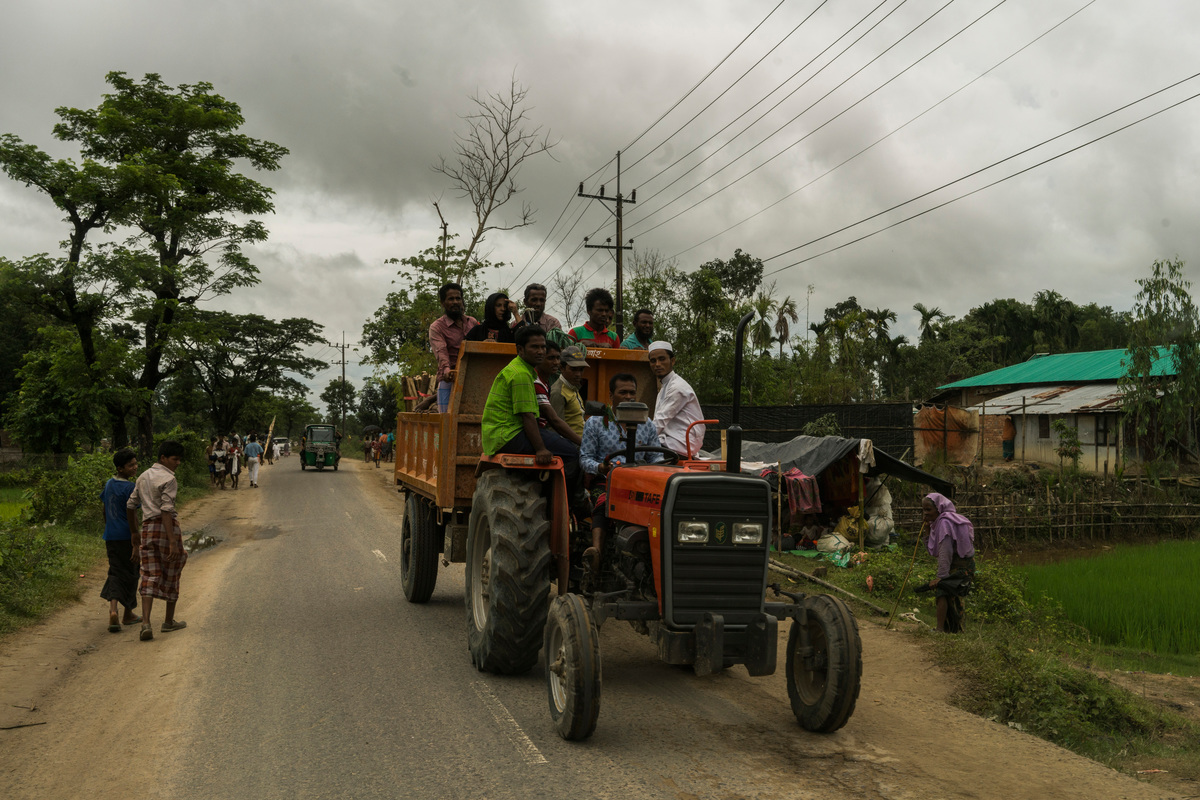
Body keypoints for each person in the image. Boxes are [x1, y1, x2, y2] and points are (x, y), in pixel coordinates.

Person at [481, 326, 584, 509]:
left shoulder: (526, 371)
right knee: (571, 454)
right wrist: (540, 449)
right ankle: (564, 507)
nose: (540, 352)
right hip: (508, 433)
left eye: (543, 347)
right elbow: (528, 417)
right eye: (534, 347)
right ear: (520, 349)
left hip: (508, 431)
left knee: (563, 447)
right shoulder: (521, 374)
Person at [579, 373, 665, 572]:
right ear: (611, 396)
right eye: (623, 392)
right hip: (606, 481)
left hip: (641, 483)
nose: (628, 397)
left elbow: (657, 458)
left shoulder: (648, 424)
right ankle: (597, 552)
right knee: (603, 501)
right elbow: (585, 459)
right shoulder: (596, 423)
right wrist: (601, 467)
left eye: (632, 393)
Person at [126, 440, 188, 641]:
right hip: (165, 528)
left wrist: (134, 531)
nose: (177, 463)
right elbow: (167, 510)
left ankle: (146, 623)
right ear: (163, 458)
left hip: (147, 529)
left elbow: (130, 505)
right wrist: (172, 541)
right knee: (173, 569)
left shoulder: (143, 476)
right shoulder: (169, 479)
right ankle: (168, 621)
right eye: (175, 459)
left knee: (149, 573)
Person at [100, 448, 142, 633]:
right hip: (127, 535)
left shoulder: (109, 484)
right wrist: (136, 539)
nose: (135, 467)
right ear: (120, 468)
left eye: (135, 463)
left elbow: (104, 510)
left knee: (115, 572)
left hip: (111, 536)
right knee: (132, 572)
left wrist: (109, 526)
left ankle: (113, 610)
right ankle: (127, 613)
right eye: (130, 465)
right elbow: (133, 515)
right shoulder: (130, 488)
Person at [922, 492, 976, 634]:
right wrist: (927, 531)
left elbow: (945, 553)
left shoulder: (945, 523)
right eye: (923, 510)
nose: (925, 513)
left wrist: (941, 576)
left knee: (944, 590)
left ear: (939, 509)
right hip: (955, 563)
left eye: (928, 510)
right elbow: (933, 551)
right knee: (949, 594)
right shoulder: (938, 523)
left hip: (962, 564)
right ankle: (950, 629)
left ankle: (943, 629)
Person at [648, 341, 706, 458]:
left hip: (680, 445)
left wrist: (638, 439)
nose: (657, 364)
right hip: (671, 442)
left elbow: (660, 421)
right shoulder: (665, 387)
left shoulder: (677, 387)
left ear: (672, 361)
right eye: (653, 361)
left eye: (662, 359)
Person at [429, 282, 479, 413]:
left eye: (458, 298)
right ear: (442, 302)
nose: (455, 302)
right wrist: (446, 369)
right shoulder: (437, 327)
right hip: (450, 378)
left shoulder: (472, 322)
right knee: (447, 419)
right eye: (451, 299)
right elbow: (441, 351)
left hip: (473, 379)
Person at [535, 340, 581, 447]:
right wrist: (583, 444)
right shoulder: (555, 391)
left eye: (557, 358)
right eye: (551, 358)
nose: (556, 362)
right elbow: (554, 423)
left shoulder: (573, 389)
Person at [550, 344, 587, 438]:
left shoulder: (573, 387)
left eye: (581, 369)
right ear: (562, 368)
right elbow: (556, 429)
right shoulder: (558, 392)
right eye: (573, 369)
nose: (578, 374)